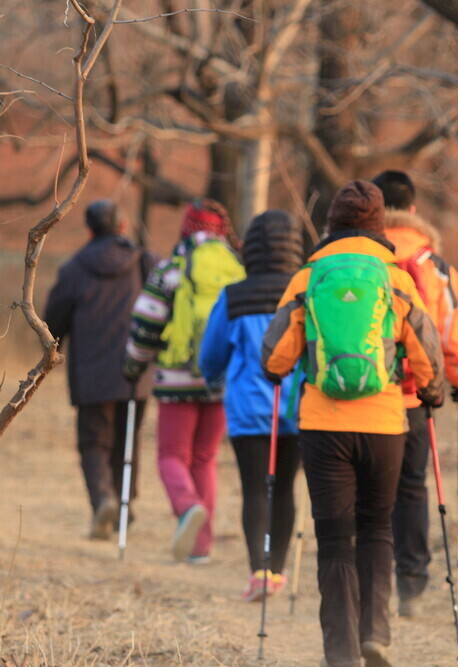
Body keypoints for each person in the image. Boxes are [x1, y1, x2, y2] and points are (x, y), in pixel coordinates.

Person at [262, 181, 445, 667]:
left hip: (323, 426)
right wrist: (431, 391)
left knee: (336, 538)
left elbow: (276, 357)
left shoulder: (307, 277)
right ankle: (375, 636)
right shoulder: (397, 277)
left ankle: (340, 652)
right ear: (380, 225)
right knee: (377, 529)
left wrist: (280, 368)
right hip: (386, 424)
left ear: (331, 226)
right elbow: (425, 345)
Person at [371, 170, 458, 618]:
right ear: (413, 211)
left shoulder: (360, 261)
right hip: (416, 397)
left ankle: (369, 583)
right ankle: (411, 584)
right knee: (411, 488)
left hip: (363, 397)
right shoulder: (436, 268)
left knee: (367, 491)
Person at [123, 199, 245, 563]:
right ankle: (200, 548)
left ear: (186, 231)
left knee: (172, 455)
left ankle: (187, 505)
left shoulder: (171, 271)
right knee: (205, 459)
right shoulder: (238, 271)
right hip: (221, 379)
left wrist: (133, 365)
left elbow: (146, 323)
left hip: (176, 380)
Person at [199, 209, 305, 601]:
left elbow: (211, 356)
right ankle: (277, 571)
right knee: (286, 491)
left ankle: (258, 573)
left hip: (247, 412)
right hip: (296, 409)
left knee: (255, 489)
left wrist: (212, 379)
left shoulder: (234, 296)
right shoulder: (304, 293)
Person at [43, 199, 158, 541]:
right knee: (128, 441)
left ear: (90, 229)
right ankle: (123, 507)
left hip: (91, 376)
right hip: (137, 371)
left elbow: (53, 323)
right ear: (122, 227)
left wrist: (53, 349)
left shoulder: (74, 269)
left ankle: (103, 500)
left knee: (94, 442)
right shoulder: (145, 262)